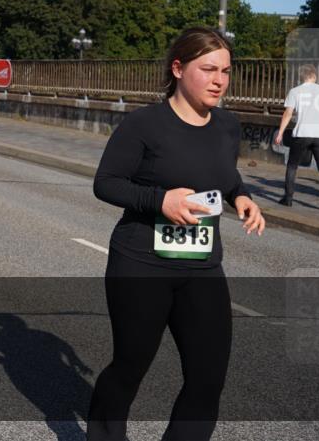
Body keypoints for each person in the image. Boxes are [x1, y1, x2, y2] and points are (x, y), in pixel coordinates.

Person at [86, 27, 266, 441]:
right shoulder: (144, 124)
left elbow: (225, 175)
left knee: (208, 378)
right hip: (141, 265)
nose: (219, 80)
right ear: (179, 69)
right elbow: (106, 183)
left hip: (202, 267)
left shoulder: (227, 125)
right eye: (208, 69)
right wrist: (161, 200)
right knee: (130, 368)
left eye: (226, 71)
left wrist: (242, 196)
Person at [274, 65, 319, 213]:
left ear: (301, 76)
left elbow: (288, 114)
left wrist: (280, 132)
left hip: (302, 133)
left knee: (292, 165)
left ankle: (288, 198)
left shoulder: (295, 91)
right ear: (314, 76)